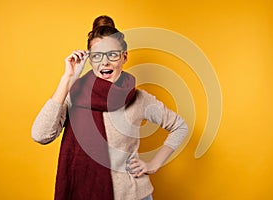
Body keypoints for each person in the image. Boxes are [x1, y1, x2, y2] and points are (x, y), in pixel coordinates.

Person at [32, 15, 188, 200]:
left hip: (132, 196)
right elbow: (40, 135)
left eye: (112, 54)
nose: (105, 62)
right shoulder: (73, 94)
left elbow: (180, 126)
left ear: (124, 57)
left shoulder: (140, 99)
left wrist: (154, 164)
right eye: (97, 55)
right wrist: (67, 80)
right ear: (90, 60)